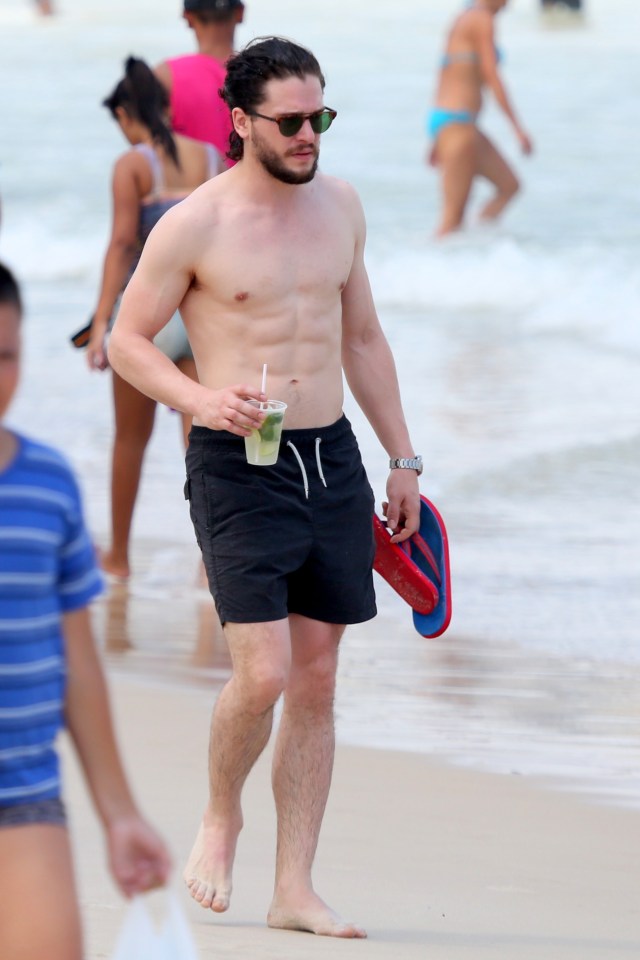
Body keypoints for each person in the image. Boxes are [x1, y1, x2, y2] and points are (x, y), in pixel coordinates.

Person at [108, 36, 422, 938]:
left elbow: (361, 338)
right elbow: (131, 339)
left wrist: (402, 459)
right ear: (241, 121)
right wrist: (201, 398)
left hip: (331, 459)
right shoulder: (194, 224)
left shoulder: (343, 207)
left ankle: (295, 888)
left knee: (317, 679)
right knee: (267, 672)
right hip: (237, 464)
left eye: (319, 118)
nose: (308, 136)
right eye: (288, 122)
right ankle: (220, 813)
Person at [0, 262, 172, 960]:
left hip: (25, 796)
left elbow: (77, 660)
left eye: (5, 355)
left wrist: (119, 812)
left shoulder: (47, 486)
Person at [88, 56, 223, 580]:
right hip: (198, 315)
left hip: (145, 320)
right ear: (166, 107)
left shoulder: (133, 165)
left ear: (126, 114)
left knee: (129, 439)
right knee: (203, 445)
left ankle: (119, 557)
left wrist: (102, 322)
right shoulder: (212, 158)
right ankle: (212, 560)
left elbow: (123, 244)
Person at [427, 0, 533, 237]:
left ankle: (475, 252)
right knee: (451, 221)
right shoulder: (482, 19)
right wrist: (518, 128)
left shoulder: (464, 17)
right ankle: (428, 267)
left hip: (451, 123)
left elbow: (446, 73)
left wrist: (436, 136)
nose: (509, 4)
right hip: (458, 125)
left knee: (509, 186)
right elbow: (491, 75)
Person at [155, 0, 245, 156]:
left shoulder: (165, 76)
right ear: (240, 13)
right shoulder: (265, 73)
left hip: (194, 180)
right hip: (252, 181)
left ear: (188, 17)